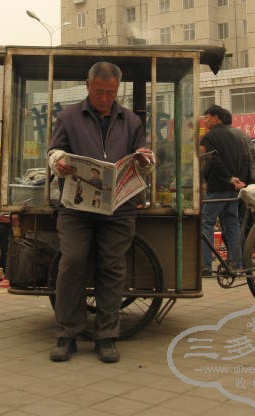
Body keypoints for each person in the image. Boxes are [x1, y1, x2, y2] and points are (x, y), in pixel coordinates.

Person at [47, 61, 154, 364]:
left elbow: (143, 156)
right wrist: (59, 162)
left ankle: (106, 336)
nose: (105, 98)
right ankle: (66, 335)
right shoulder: (69, 117)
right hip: (76, 208)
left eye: (110, 92)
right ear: (87, 86)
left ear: (117, 90)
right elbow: (54, 152)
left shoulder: (131, 121)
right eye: (99, 91)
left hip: (119, 209)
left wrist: (145, 160)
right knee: (72, 262)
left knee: (112, 266)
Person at [200, 105, 247, 278]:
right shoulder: (237, 136)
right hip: (233, 188)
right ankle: (236, 264)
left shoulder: (209, 137)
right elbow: (245, 159)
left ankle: (205, 266)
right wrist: (238, 179)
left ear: (216, 118)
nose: (205, 121)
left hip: (218, 186)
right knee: (232, 224)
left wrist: (228, 178)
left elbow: (213, 161)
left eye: (207, 117)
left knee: (206, 222)